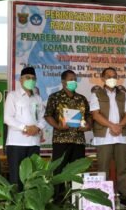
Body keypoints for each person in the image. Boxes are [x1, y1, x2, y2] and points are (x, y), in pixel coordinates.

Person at [90, 67, 126, 208]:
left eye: (114, 76)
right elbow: (95, 114)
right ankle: (104, 197)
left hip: (120, 137)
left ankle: (124, 197)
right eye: (109, 76)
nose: (112, 78)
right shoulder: (96, 93)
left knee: (122, 168)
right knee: (103, 168)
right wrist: (112, 126)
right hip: (104, 137)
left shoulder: (123, 94)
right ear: (102, 78)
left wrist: (119, 126)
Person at [44, 70, 91, 202]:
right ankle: (59, 201)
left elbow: (88, 116)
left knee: (77, 171)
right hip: (61, 140)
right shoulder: (55, 97)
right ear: (63, 82)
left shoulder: (82, 98)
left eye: (75, 79)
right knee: (59, 171)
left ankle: (76, 200)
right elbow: (48, 115)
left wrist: (87, 125)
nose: (74, 82)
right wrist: (58, 126)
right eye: (71, 79)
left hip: (78, 141)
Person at [4, 67, 46, 190]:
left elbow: (43, 118)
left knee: (32, 178)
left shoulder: (37, 98)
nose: (30, 80)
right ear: (21, 80)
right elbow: (8, 118)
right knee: (17, 178)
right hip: (16, 143)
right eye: (27, 78)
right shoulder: (13, 96)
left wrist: (37, 128)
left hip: (34, 143)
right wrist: (25, 128)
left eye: (33, 78)